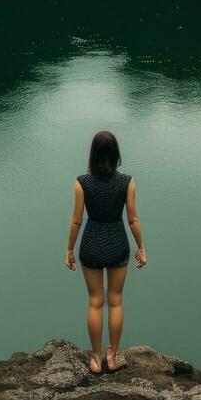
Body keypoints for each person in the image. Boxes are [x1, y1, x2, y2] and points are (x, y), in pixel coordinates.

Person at [64, 129, 146, 374]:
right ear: (116, 154)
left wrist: (69, 249)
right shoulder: (127, 182)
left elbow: (76, 221)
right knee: (116, 301)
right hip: (117, 243)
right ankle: (114, 356)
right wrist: (141, 247)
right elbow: (133, 219)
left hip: (91, 244)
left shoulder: (82, 183)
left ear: (93, 154)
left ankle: (95, 359)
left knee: (95, 302)